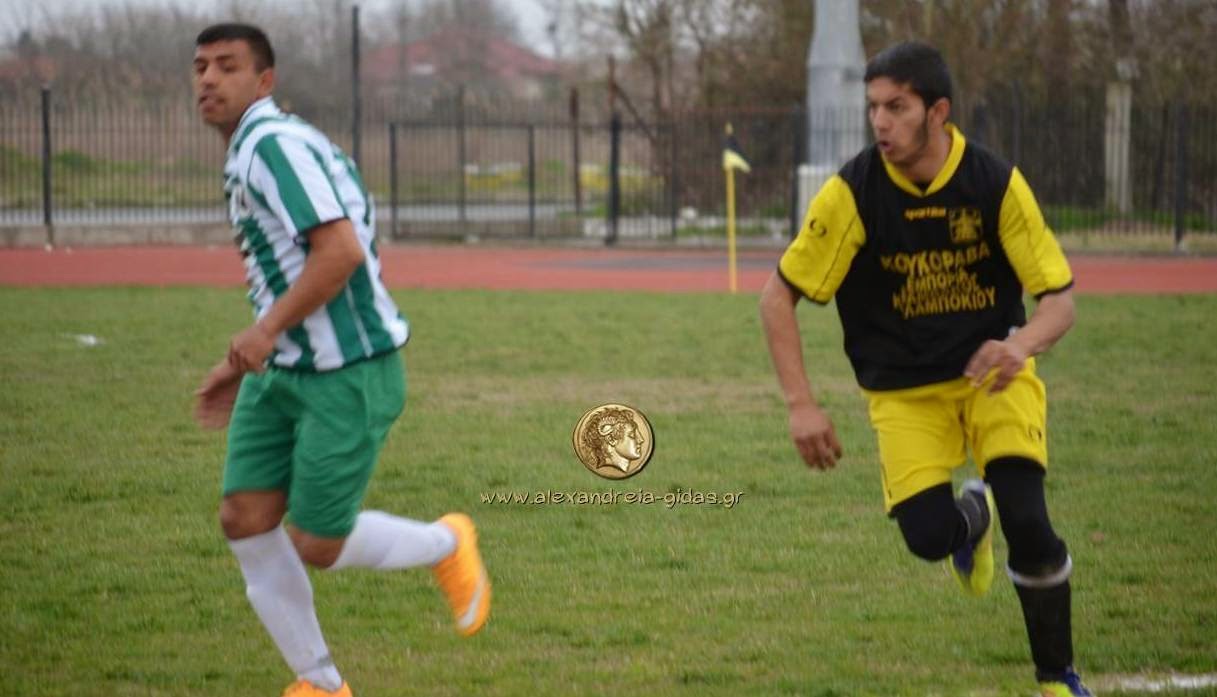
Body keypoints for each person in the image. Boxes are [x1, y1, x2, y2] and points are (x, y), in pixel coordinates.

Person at [759, 41, 1092, 697]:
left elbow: (1059, 303)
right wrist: (801, 404)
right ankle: (972, 519)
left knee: (1029, 520)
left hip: (993, 377)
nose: (880, 122)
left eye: (897, 107)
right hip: (903, 392)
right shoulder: (852, 192)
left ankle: (1057, 677)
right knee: (928, 537)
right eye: (873, 108)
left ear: (937, 111)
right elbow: (777, 297)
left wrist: (1020, 345)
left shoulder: (993, 183)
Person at [191, 23, 490, 697]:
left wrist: (264, 331)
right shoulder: (253, 148)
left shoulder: (272, 145)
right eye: (201, 66)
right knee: (244, 517)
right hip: (282, 370)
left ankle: (447, 542)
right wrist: (243, 361)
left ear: (264, 81)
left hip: (345, 369)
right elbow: (285, 265)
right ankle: (321, 685)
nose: (208, 79)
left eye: (227, 66)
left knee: (316, 543)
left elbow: (340, 253)